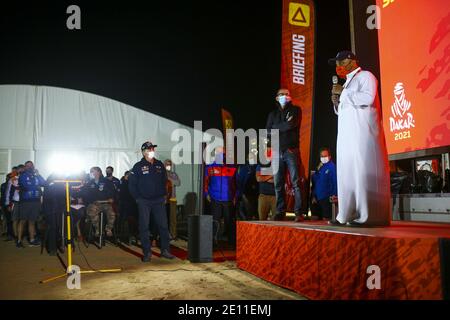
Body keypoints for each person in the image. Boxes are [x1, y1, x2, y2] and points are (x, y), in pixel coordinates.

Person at [329, 50, 391, 226]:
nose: (338, 66)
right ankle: (346, 215)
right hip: (347, 136)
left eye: (340, 61)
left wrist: (344, 93)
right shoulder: (348, 82)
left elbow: (368, 98)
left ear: (351, 60)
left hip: (363, 134)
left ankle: (368, 216)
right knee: (347, 174)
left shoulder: (366, 76)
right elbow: (345, 108)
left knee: (362, 173)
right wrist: (337, 103)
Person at [128, 141, 174, 262]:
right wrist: (137, 198)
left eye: (153, 149)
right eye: (149, 149)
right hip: (144, 201)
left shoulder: (159, 164)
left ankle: (165, 250)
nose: (152, 151)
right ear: (144, 152)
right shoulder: (138, 166)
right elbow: (132, 185)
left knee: (163, 226)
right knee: (144, 227)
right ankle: (147, 252)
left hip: (158, 200)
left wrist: (164, 195)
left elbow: (164, 181)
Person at [266, 88, 303, 222]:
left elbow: (292, 124)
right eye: (281, 94)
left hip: (291, 150)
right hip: (276, 151)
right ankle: (280, 211)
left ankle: (298, 212)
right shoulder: (272, 114)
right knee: (278, 184)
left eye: (287, 94)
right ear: (277, 98)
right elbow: (268, 131)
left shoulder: (296, 110)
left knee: (296, 182)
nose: (284, 96)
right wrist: (284, 125)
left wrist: (277, 127)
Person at [204, 146, 237, 248]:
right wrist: (206, 194)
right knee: (215, 222)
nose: (222, 155)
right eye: (219, 153)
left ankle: (232, 243)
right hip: (215, 198)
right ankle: (213, 242)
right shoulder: (210, 167)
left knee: (229, 222)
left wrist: (236, 195)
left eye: (223, 153)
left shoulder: (232, 167)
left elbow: (236, 183)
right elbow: (205, 182)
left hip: (228, 199)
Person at [18, 161, 46, 247]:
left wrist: (38, 175)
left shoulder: (36, 176)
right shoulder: (23, 176)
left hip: (36, 202)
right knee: (23, 221)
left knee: (32, 221)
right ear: (25, 167)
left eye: (31, 165)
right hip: (26, 202)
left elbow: (44, 183)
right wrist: (36, 187)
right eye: (28, 166)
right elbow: (26, 186)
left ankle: (32, 239)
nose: (30, 167)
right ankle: (19, 241)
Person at [84, 167, 116, 239]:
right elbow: (86, 195)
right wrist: (93, 201)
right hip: (94, 204)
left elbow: (112, 193)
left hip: (105, 203)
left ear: (98, 172)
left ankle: (108, 229)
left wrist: (109, 199)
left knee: (112, 213)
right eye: (91, 172)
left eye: (93, 171)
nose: (91, 173)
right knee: (92, 211)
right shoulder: (89, 183)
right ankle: (97, 230)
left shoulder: (106, 182)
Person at [311, 148, 337, 220]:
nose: (323, 158)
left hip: (327, 198)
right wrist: (314, 195)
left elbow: (335, 182)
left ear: (329, 156)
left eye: (325, 156)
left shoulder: (332, 167)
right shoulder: (320, 167)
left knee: (326, 219)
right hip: (318, 199)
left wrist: (334, 195)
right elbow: (316, 182)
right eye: (322, 156)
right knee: (314, 219)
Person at [256, 148, 277, 221]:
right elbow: (258, 179)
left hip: (275, 196)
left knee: (276, 221)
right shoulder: (260, 165)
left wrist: (264, 177)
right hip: (263, 196)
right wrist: (271, 175)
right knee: (262, 220)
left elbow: (277, 180)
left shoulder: (277, 165)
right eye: (267, 152)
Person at [118, 171, 138, 244]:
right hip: (124, 205)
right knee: (123, 220)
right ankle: (122, 236)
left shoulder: (133, 183)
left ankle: (132, 236)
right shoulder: (122, 182)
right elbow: (122, 193)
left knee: (133, 221)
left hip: (132, 205)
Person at [164, 159, 180, 240]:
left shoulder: (173, 174)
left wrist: (170, 179)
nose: (168, 165)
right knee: (164, 218)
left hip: (172, 199)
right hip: (163, 200)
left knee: (173, 218)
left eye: (169, 164)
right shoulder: (161, 174)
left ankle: (173, 234)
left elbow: (178, 183)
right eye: (167, 164)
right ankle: (164, 233)